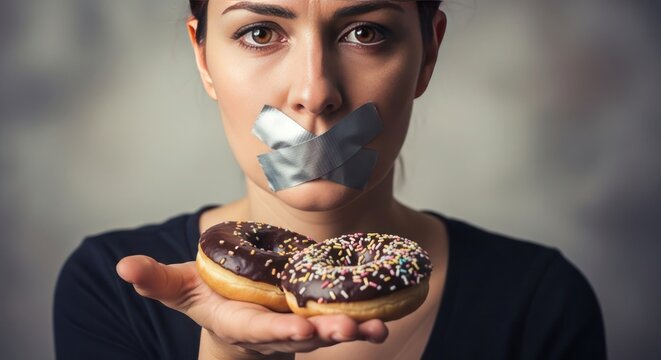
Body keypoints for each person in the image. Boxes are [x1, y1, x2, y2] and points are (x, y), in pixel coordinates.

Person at [53, 1, 607, 359]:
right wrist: (230, 349)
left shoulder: (539, 302)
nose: (316, 93)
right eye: (260, 32)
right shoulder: (116, 287)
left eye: (366, 31)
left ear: (428, 52)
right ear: (202, 58)